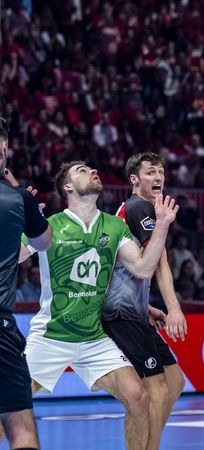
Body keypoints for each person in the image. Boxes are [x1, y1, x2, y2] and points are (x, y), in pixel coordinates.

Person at [17, 161, 179, 450]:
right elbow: (14, 256)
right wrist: (20, 220)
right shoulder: (50, 225)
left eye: (92, 169)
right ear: (68, 187)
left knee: (138, 397)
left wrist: (162, 226)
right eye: (82, 170)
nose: (92, 172)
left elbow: (143, 269)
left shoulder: (114, 226)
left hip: (93, 338)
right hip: (52, 335)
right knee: (12, 401)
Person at [102, 152, 187, 450]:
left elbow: (136, 263)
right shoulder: (139, 208)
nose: (159, 177)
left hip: (134, 311)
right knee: (157, 390)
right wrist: (173, 308)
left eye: (161, 171)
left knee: (174, 382)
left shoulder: (146, 210)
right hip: (120, 313)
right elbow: (157, 264)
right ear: (134, 180)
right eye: (151, 172)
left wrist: (147, 306)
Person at [0, 123, 51, 450]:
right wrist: (27, 213)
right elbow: (43, 242)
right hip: (1, 330)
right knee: (21, 430)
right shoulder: (17, 199)